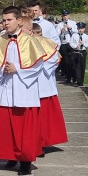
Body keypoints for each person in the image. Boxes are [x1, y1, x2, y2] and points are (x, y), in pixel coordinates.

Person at [0, 6, 44, 175]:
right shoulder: (1, 40)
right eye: (4, 20)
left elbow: (38, 65)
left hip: (23, 88)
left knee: (24, 128)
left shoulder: (29, 40)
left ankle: (25, 161)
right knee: (6, 126)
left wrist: (17, 68)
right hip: (5, 87)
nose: (6, 23)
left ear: (19, 20)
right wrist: (2, 69)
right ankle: (10, 156)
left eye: (9, 20)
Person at [30, 20, 67, 153]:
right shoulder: (26, 43)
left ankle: (42, 142)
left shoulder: (48, 44)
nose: (38, 37)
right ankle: (34, 142)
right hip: (30, 85)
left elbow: (54, 59)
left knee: (44, 118)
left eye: (39, 34)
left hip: (44, 83)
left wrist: (38, 65)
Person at [57, 10, 77, 83]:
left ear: (69, 16)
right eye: (64, 16)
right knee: (66, 61)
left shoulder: (73, 23)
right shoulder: (60, 24)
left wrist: (70, 28)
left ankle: (74, 77)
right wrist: (61, 32)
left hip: (71, 43)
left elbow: (76, 32)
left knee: (73, 61)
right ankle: (68, 77)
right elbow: (56, 35)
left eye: (66, 15)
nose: (65, 17)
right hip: (64, 44)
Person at [70, 22, 88, 86]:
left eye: (82, 28)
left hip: (82, 52)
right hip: (75, 51)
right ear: (77, 29)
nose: (80, 30)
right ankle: (78, 80)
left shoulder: (86, 36)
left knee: (82, 66)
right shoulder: (74, 35)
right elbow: (71, 43)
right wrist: (75, 46)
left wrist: (83, 44)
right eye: (79, 28)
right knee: (76, 66)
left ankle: (81, 81)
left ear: (84, 29)